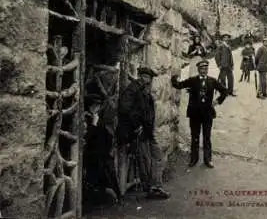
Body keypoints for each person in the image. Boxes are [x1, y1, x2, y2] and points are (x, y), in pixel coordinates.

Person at [117, 67, 170, 199]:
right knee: (145, 161)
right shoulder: (133, 89)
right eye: (146, 77)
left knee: (158, 156)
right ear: (140, 76)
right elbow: (124, 108)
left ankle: (155, 186)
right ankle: (152, 189)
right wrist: (137, 125)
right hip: (139, 132)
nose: (148, 80)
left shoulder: (144, 90)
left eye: (149, 78)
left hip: (147, 131)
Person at [171, 60, 228, 168]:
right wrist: (174, 77)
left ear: (207, 70)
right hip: (195, 114)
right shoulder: (193, 80)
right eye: (202, 69)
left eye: (205, 69)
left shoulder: (212, 81)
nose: (204, 71)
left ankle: (208, 160)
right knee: (195, 137)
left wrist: (217, 101)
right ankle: (194, 159)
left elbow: (224, 91)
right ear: (198, 70)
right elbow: (179, 85)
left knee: (207, 137)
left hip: (207, 114)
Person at [82, 93, 121, 205]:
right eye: (95, 105)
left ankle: (113, 196)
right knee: (100, 171)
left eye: (98, 106)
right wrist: (93, 124)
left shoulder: (98, 118)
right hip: (90, 154)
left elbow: (106, 135)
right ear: (89, 106)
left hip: (101, 153)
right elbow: (86, 139)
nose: (97, 108)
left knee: (109, 170)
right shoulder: (86, 119)